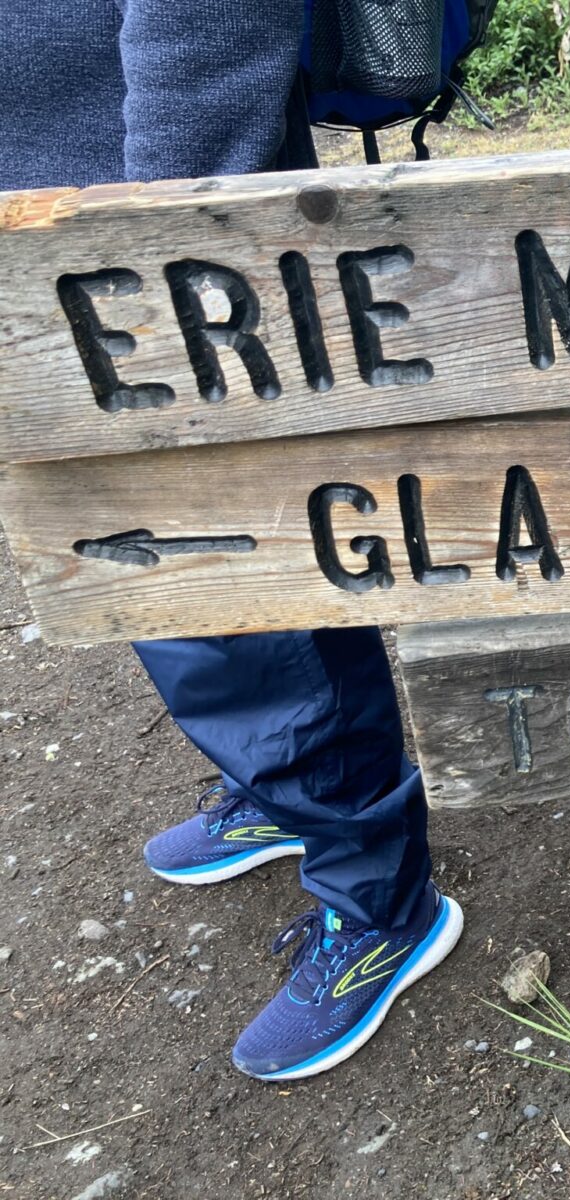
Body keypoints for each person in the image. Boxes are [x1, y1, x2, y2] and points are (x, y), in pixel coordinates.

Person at [0, 1, 461, 1081]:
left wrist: (166, 247)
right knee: (140, 572)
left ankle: (379, 897)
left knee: (237, 588)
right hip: (49, 232)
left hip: (140, 234)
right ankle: (276, 794)